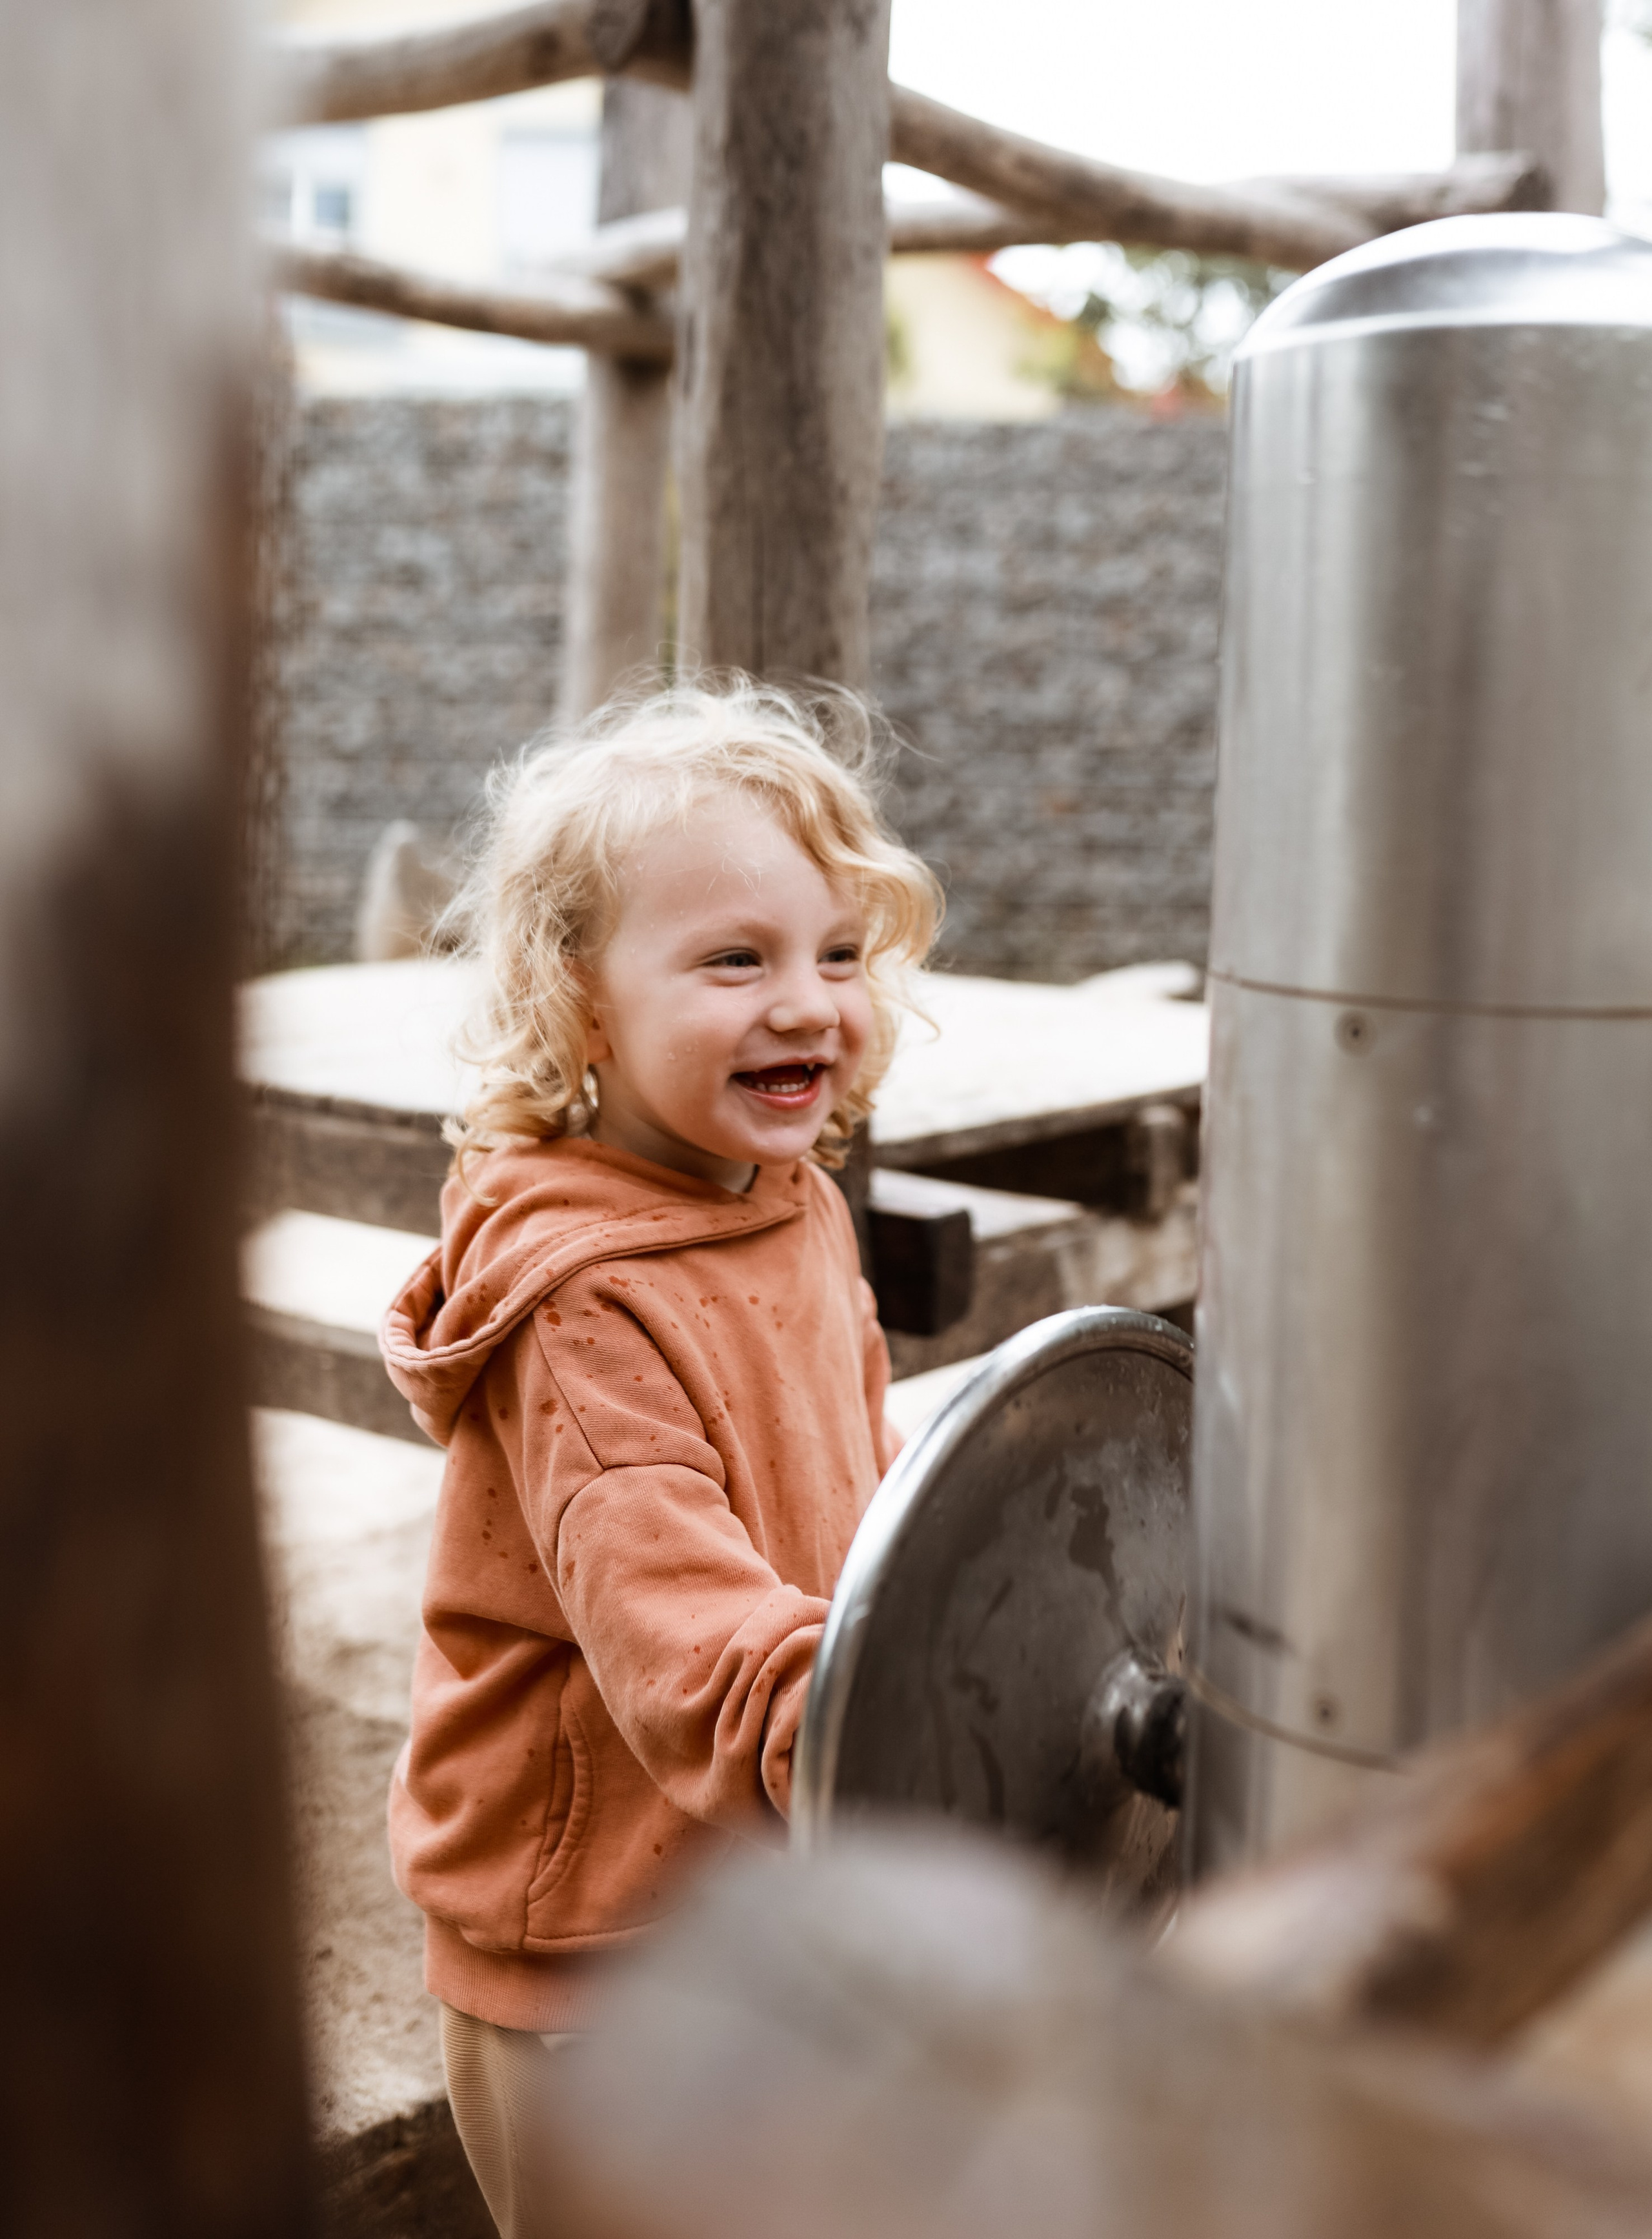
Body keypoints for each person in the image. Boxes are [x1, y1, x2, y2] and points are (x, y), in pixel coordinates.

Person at [379, 676, 942, 2238]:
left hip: (750, 1887)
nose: (805, 1001)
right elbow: (686, 1643)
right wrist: (895, 1729)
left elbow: (865, 1492)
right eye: (733, 959)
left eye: (839, 951)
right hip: (591, 1956)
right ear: (580, 1003)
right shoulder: (584, 1304)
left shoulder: (794, 1203)